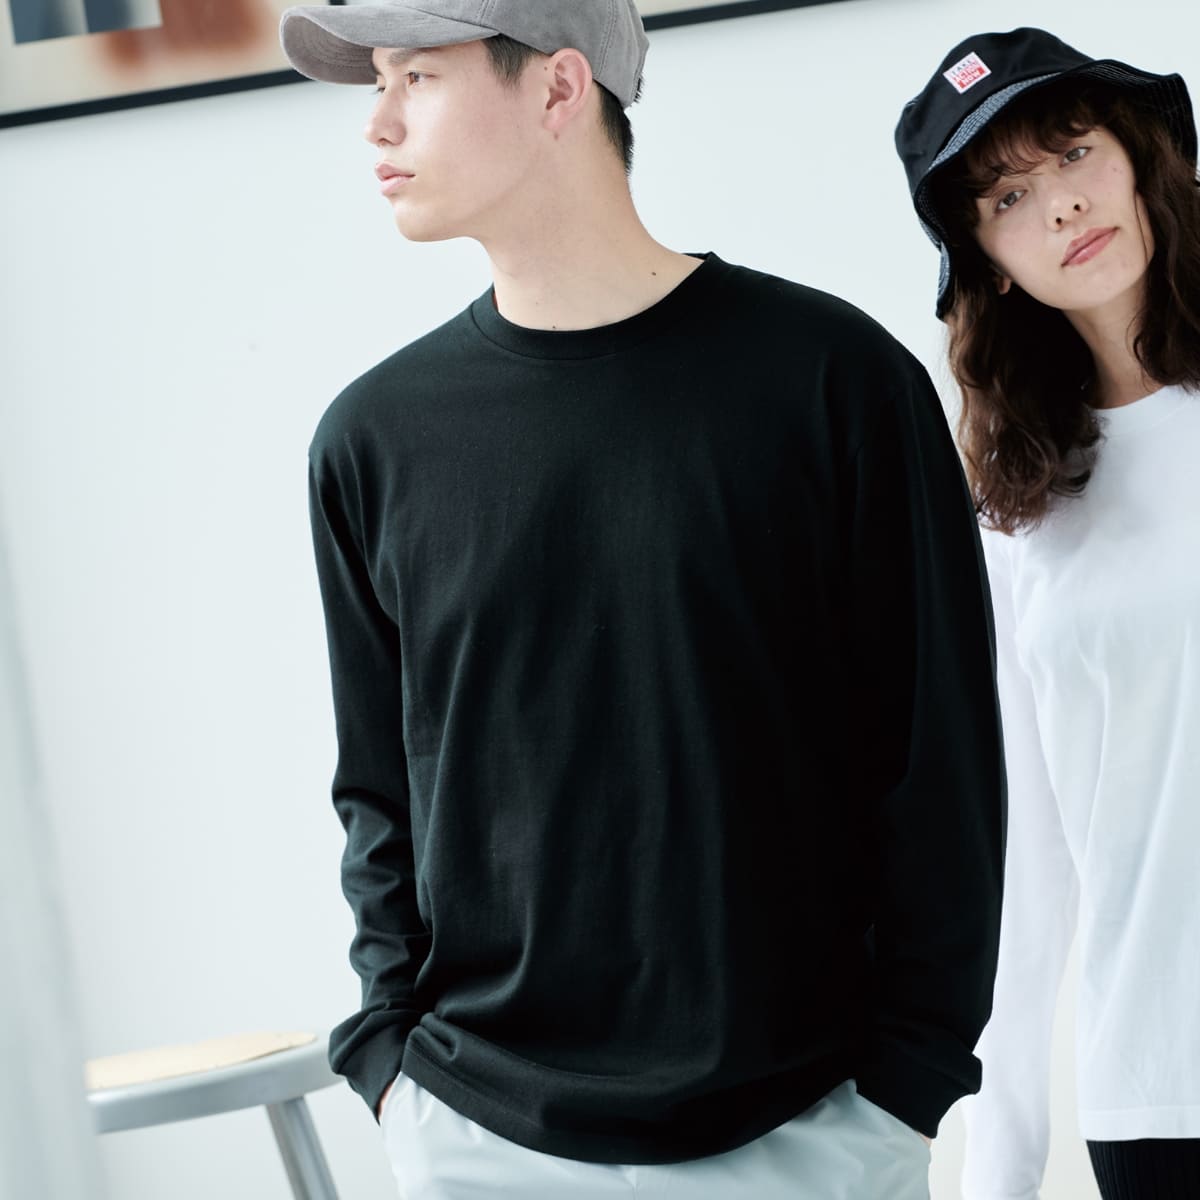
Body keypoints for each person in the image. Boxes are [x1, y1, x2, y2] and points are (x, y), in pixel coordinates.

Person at [282, 1, 1004, 1196]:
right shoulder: (372, 441)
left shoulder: (834, 384)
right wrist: (390, 1059)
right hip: (475, 1133)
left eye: (418, 77)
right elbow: (378, 790)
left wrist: (904, 1085)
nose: (380, 124)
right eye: (377, 86)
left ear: (559, 90)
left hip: (804, 1129)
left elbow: (939, 766)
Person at [895, 25, 1200, 1200]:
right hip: (1160, 1092)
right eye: (1010, 196)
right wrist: (1002, 1166)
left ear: (1136, 156)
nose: (1063, 203)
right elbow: (1027, 860)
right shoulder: (1019, 521)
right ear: (988, 262)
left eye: (1074, 152)